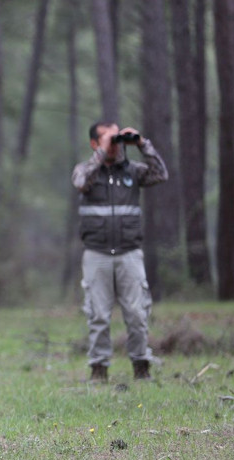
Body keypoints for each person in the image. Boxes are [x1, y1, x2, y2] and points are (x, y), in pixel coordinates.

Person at [72, 122, 168, 382]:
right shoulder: (86, 170)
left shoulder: (133, 171)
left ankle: (141, 367)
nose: (114, 144)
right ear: (94, 143)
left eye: (116, 138)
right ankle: (99, 370)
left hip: (129, 253)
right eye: (107, 139)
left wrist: (141, 144)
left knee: (137, 313)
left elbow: (160, 174)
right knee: (98, 315)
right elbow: (80, 183)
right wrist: (101, 154)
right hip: (97, 254)